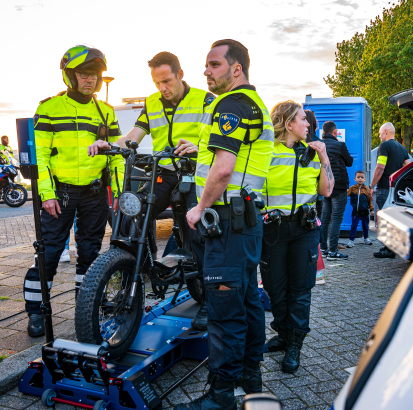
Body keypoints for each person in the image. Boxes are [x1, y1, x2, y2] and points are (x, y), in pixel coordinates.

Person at [88, 51, 213, 329]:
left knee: (198, 230)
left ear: (180, 75)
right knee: (134, 211)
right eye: (157, 83)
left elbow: (220, 140)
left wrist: (199, 148)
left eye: (166, 81)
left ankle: (209, 302)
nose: (162, 88)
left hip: (194, 173)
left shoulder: (205, 100)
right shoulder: (152, 102)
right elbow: (135, 135)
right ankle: (137, 269)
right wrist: (112, 145)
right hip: (164, 173)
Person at [179, 39, 272, 410]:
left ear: (236, 69)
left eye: (214, 64)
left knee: (223, 313)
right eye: (206, 65)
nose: (206, 71)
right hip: (246, 223)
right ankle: (252, 375)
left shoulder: (231, 104)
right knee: (248, 301)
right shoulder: (253, 104)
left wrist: (199, 208)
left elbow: (223, 168)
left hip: (229, 225)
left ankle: (220, 398)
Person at [23, 45, 124, 337]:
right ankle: (37, 312)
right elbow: (39, 156)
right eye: (83, 74)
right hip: (60, 194)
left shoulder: (105, 112)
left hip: (94, 194)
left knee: (91, 253)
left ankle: (87, 305)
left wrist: (117, 190)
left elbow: (116, 155)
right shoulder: (48, 108)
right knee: (50, 253)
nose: (90, 80)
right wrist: (47, 193)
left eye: (94, 75)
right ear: (70, 75)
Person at [260, 101, 333, 374]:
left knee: (300, 289)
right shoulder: (266, 152)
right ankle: (282, 332)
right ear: (289, 123)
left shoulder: (312, 153)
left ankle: (294, 345)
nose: (308, 124)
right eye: (303, 119)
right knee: (275, 287)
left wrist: (325, 158)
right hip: (273, 228)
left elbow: (326, 191)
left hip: (304, 230)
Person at [369, 122, 412, 259]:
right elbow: (408, 167)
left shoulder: (385, 146)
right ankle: (392, 246)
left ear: (386, 132)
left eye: (381, 133)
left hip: (384, 187)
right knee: (393, 217)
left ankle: (388, 249)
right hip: (395, 188)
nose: (380, 136)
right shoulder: (402, 148)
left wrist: (371, 186)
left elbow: (380, 167)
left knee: (385, 218)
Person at [320, 120, 353, 260]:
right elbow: (350, 162)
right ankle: (333, 251)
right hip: (339, 186)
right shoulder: (340, 145)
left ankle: (323, 249)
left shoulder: (319, 145)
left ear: (323, 132)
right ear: (335, 132)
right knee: (337, 219)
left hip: (324, 186)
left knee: (325, 218)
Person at [346, 170, 373, 247]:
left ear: (365, 179)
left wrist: (371, 209)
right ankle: (351, 241)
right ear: (355, 179)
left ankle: (366, 238)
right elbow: (345, 195)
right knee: (354, 226)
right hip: (356, 211)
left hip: (365, 211)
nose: (360, 179)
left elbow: (369, 200)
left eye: (362, 177)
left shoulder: (366, 189)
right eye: (358, 177)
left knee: (365, 226)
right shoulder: (352, 188)